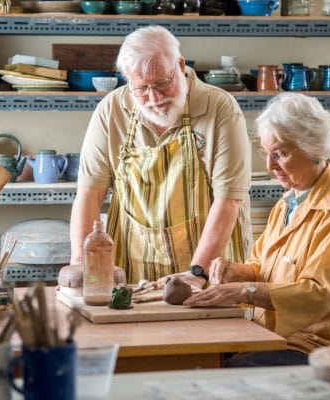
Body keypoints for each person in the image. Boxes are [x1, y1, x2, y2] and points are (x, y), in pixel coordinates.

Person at [184, 93, 330, 367]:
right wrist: (233, 272)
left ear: (314, 150)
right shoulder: (291, 200)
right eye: (266, 152)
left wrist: (243, 291)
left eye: (280, 154)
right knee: (192, 359)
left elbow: (317, 295)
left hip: (317, 347)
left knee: (217, 376)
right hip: (275, 336)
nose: (270, 166)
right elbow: (262, 267)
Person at [70, 25, 252, 284]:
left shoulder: (219, 109)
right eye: (141, 88)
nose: (154, 98)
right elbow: (89, 194)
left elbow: (229, 200)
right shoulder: (111, 110)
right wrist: (81, 265)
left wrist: (196, 273)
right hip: (133, 267)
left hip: (208, 268)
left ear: (180, 65)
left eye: (162, 83)